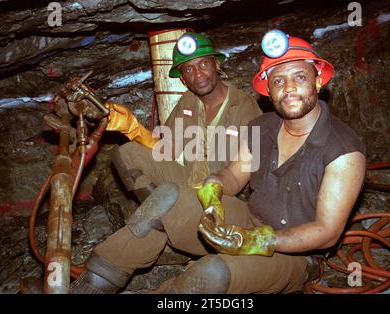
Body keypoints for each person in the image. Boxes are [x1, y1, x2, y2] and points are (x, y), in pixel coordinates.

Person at [160, 30, 367, 294]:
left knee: (212, 272)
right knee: (168, 200)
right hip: (250, 219)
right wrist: (213, 191)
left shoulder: (343, 149)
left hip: (297, 255)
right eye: (278, 81)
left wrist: (257, 241)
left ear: (318, 82)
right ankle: (101, 277)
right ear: (268, 90)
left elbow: (327, 231)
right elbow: (234, 177)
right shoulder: (262, 127)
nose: (289, 88)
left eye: (300, 77)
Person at [69, 32, 262, 293]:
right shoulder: (188, 103)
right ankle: (166, 220)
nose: (198, 74)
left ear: (217, 64)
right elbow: (165, 150)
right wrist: (132, 128)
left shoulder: (245, 107)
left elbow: (247, 175)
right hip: (184, 188)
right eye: (188, 69)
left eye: (203, 64)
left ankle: (155, 230)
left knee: (169, 202)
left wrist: (191, 197)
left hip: (225, 201)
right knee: (128, 153)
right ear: (182, 78)